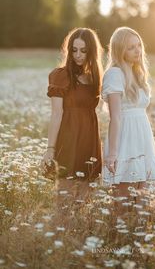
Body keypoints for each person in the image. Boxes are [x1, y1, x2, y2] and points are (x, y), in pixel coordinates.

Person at [101, 26, 155, 213]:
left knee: (142, 201)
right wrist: (112, 154)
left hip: (142, 137)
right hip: (124, 138)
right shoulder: (114, 74)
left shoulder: (138, 74)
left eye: (138, 46)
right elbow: (116, 117)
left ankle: (138, 237)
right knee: (123, 201)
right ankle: (119, 239)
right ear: (120, 50)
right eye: (131, 47)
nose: (138, 50)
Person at [41, 27, 103, 210]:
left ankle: (78, 237)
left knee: (84, 202)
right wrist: (50, 149)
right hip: (68, 140)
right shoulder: (60, 76)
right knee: (64, 201)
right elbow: (56, 114)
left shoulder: (95, 78)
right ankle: (59, 236)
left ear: (91, 51)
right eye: (74, 50)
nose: (78, 55)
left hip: (89, 140)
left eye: (83, 50)